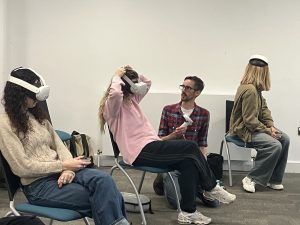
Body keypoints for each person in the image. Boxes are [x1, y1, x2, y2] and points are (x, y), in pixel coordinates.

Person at [99, 65, 236, 225]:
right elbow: (115, 93)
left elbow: (148, 82)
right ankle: (211, 187)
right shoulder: (112, 108)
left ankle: (188, 212)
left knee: (188, 162)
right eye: (133, 84)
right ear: (125, 85)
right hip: (138, 153)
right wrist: (117, 76)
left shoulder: (132, 101)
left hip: (152, 146)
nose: (137, 86)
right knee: (190, 147)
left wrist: (133, 73)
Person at [0, 67, 130, 225]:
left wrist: (68, 169)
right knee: (108, 196)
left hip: (61, 172)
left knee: (105, 181)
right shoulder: (5, 124)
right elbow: (22, 168)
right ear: (19, 94)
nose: (37, 99)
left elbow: (59, 146)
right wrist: (63, 166)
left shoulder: (37, 116)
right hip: (38, 185)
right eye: (33, 94)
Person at [153, 75, 219, 208]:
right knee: (176, 202)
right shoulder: (168, 110)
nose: (183, 90)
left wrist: (203, 168)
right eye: (183, 86)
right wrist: (173, 136)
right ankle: (164, 180)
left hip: (189, 162)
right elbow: (159, 140)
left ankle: (195, 187)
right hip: (169, 160)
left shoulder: (203, 114)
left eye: (188, 88)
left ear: (197, 93)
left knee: (214, 203)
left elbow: (202, 143)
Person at [229, 55, 290, 193]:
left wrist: (271, 126)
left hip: (253, 128)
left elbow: (264, 110)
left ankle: (274, 179)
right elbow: (249, 121)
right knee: (274, 145)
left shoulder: (256, 89)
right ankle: (252, 178)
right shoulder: (250, 90)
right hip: (242, 130)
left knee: (284, 138)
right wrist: (268, 131)